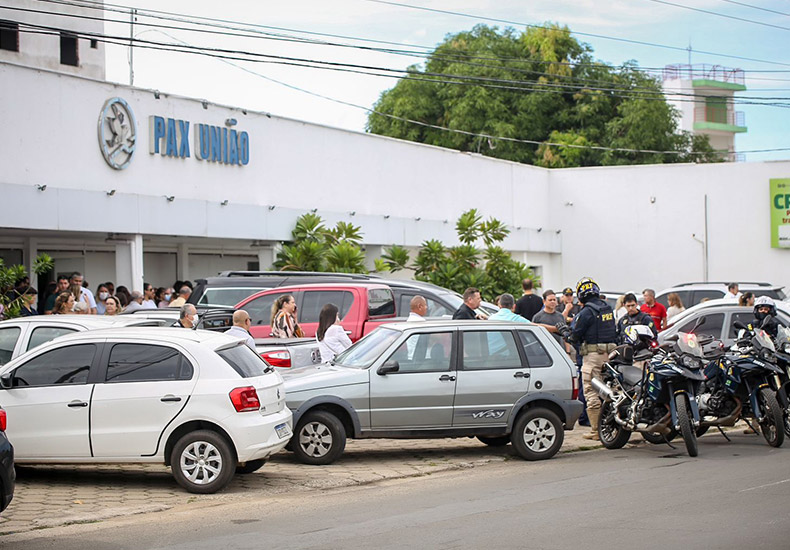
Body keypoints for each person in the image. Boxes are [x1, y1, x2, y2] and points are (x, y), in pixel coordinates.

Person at [561, 277, 617, 440]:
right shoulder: (607, 308)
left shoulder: (586, 312)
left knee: (591, 391)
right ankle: (614, 427)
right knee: (611, 392)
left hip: (593, 357)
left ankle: (596, 431)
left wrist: (565, 332)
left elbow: (575, 337)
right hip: (611, 356)